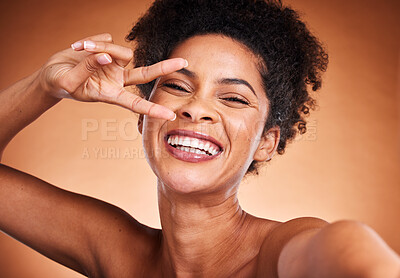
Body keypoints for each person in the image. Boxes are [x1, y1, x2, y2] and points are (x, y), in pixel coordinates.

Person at [0, 0, 399, 277]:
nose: (197, 108)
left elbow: (343, 249)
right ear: (142, 117)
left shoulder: (280, 253)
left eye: (233, 97)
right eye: (176, 86)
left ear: (266, 141)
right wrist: (43, 86)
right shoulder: (114, 252)